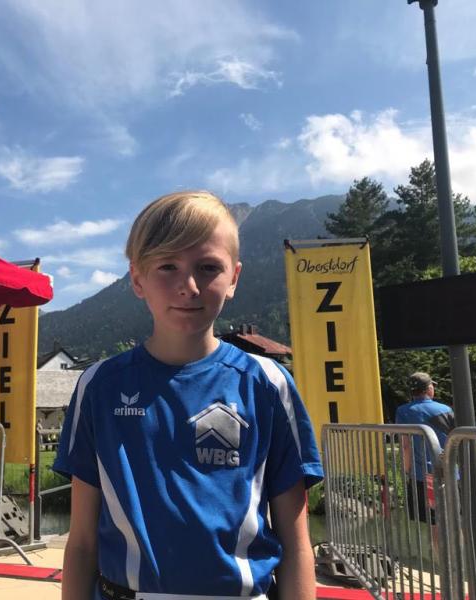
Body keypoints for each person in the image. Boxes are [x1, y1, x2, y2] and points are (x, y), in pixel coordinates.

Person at [54, 191, 323, 600]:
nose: (189, 286)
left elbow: (297, 544)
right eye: (168, 266)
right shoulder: (99, 387)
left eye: (208, 267)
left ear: (234, 278)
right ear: (137, 279)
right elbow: (82, 543)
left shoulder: (269, 385)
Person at [395, 372, 455, 523]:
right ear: (429, 388)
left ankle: (437, 540)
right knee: (454, 519)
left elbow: (406, 446)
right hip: (449, 471)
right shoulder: (445, 409)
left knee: (432, 522)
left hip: (421, 475)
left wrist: (407, 470)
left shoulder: (403, 411)